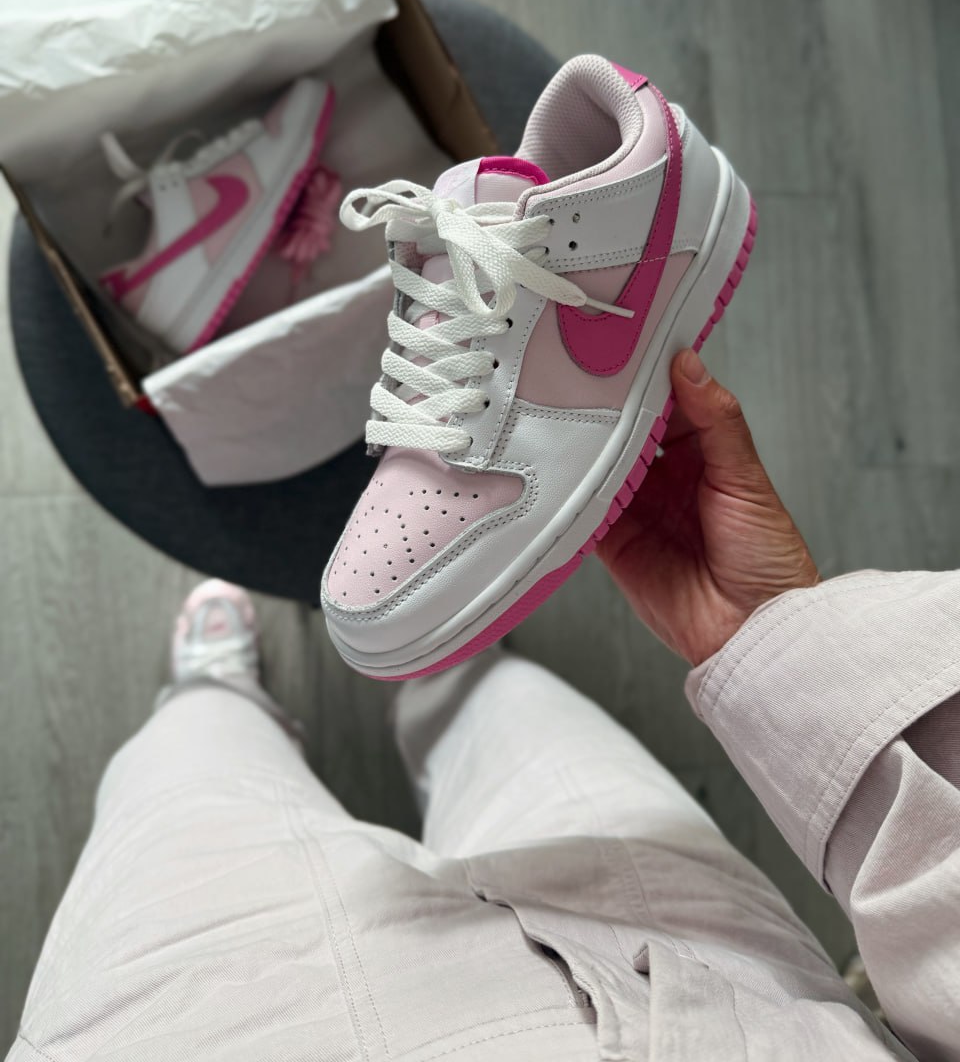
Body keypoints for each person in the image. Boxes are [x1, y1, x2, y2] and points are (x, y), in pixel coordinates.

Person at [8, 350, 958, 1062]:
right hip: (701, 998)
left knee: (193, 770)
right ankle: (447, 666)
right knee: (506, 711)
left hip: (202, 1021)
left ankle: (220, 687)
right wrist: (769, 634)